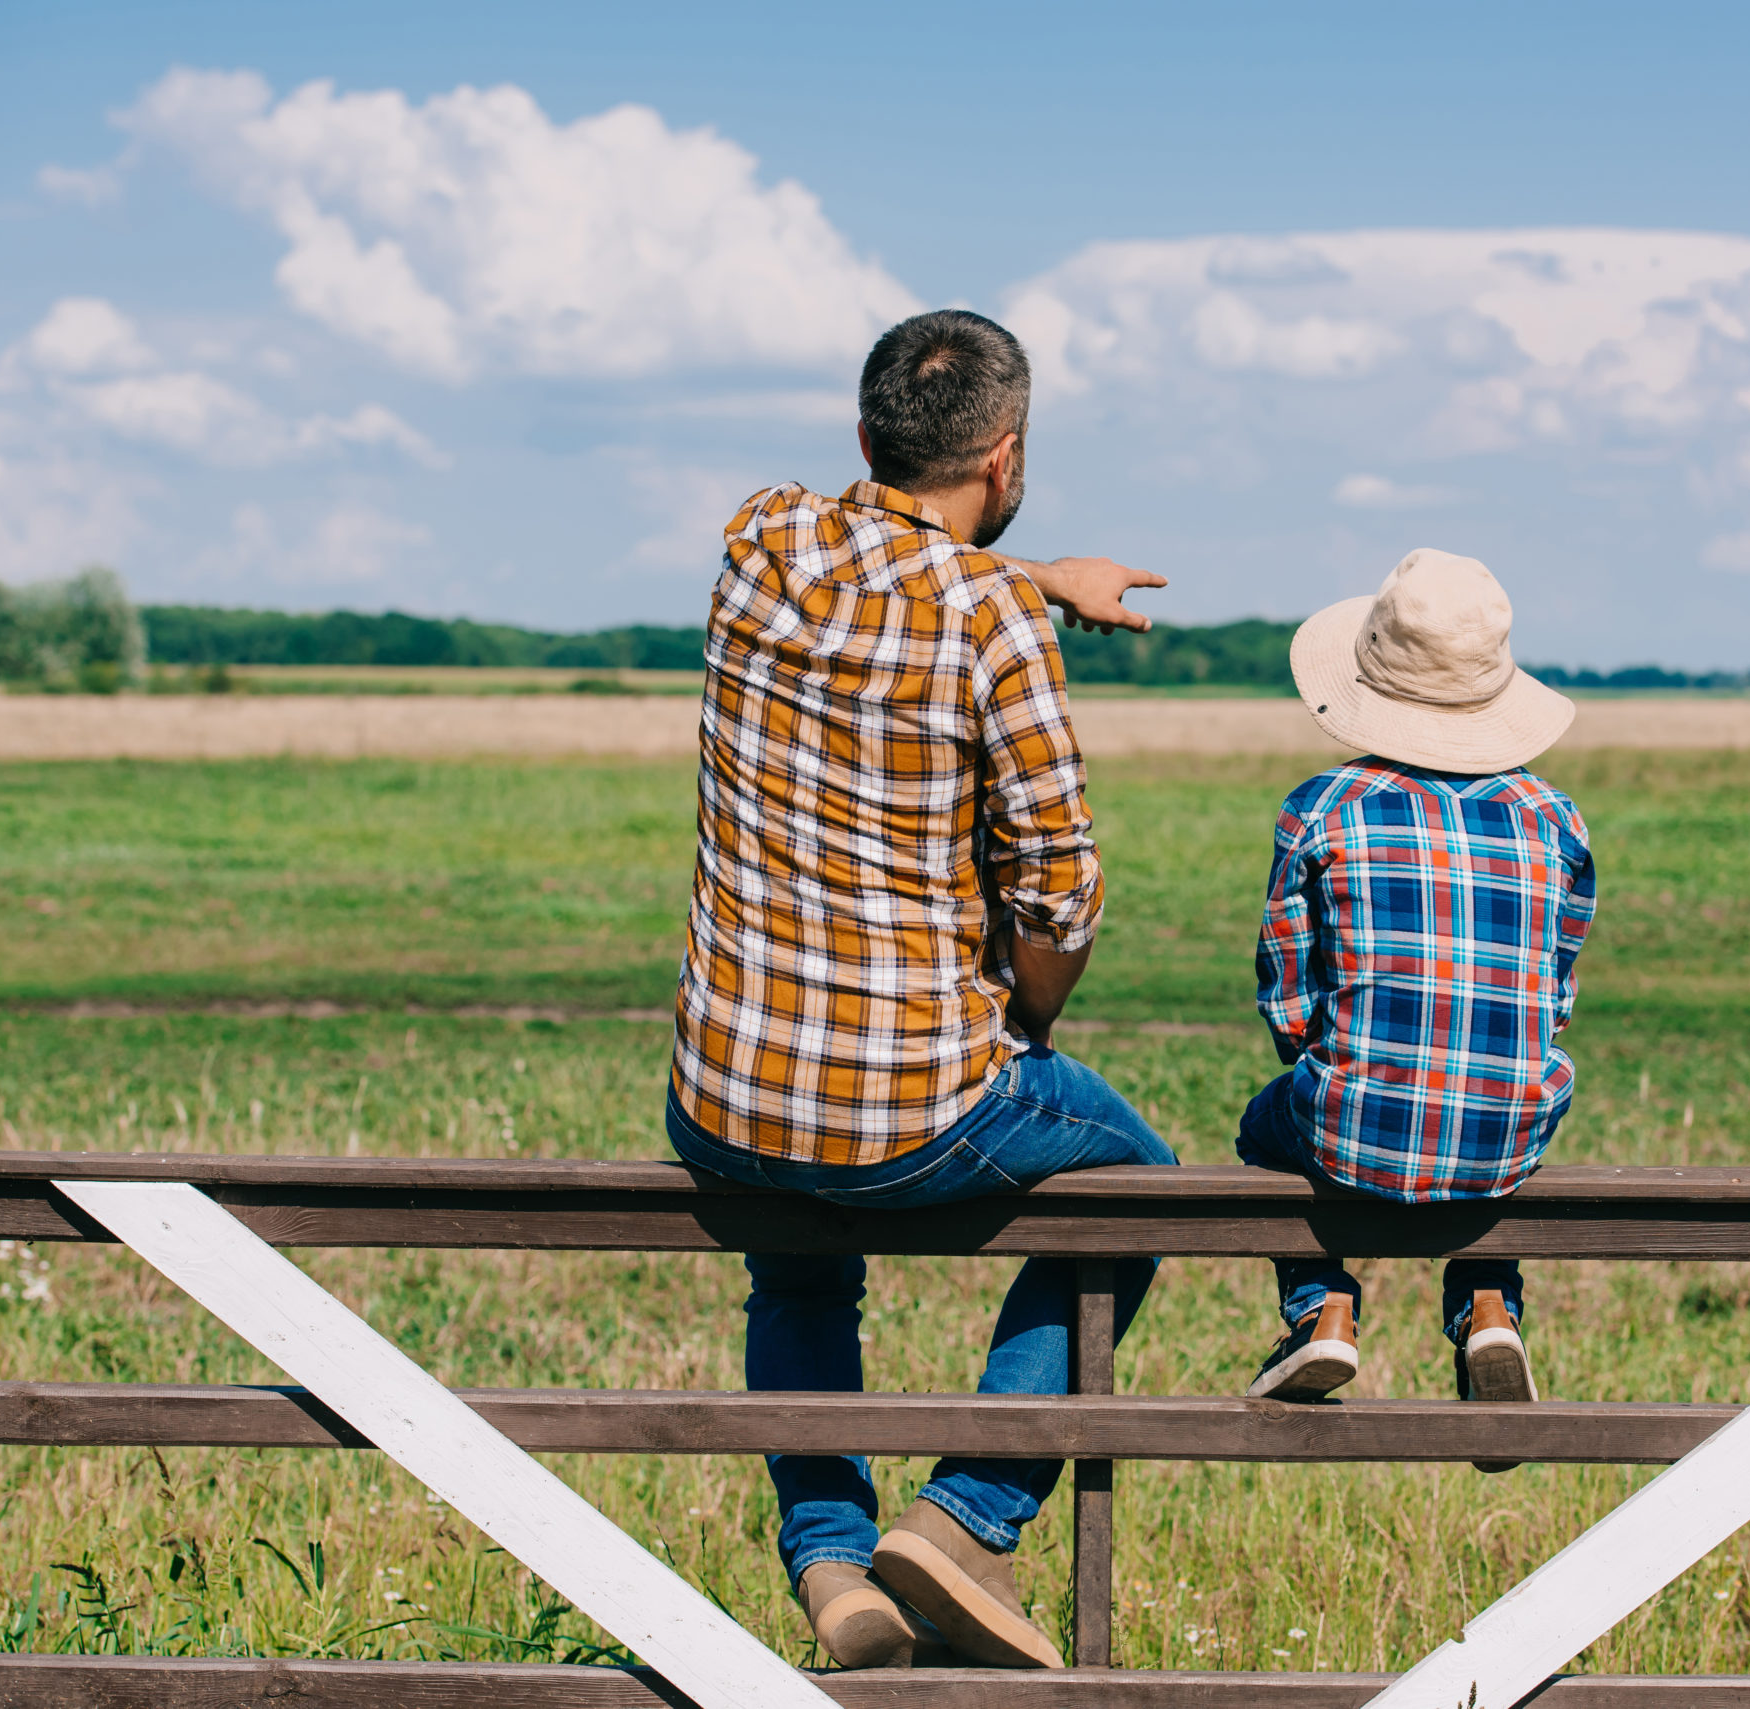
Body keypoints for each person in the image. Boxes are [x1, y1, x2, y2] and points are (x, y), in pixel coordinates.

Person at [666, 309, 1175, 1671]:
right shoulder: (998, 623)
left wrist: (1035, 572)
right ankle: (965, 1517)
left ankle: (833, 1565)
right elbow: (1060, 897)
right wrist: (1027, 1023)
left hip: (724, 1100)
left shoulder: (758, 538)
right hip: (916, 1113)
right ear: (1003, 458)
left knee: (801, 1265)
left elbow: (901, 554)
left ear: (862, 440)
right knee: (1145, 1193)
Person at [1235, 549, 1595, 1476]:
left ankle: (1323, 1308)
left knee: (1263, 1127)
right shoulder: (1556, 817)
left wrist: (1341, 1060)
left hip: (1350, 1124)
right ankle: (1487, 1308)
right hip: (1510, 1128)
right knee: (1491, 1107)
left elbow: (1287, 999)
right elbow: (1553, 995)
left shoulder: (1321, 807)